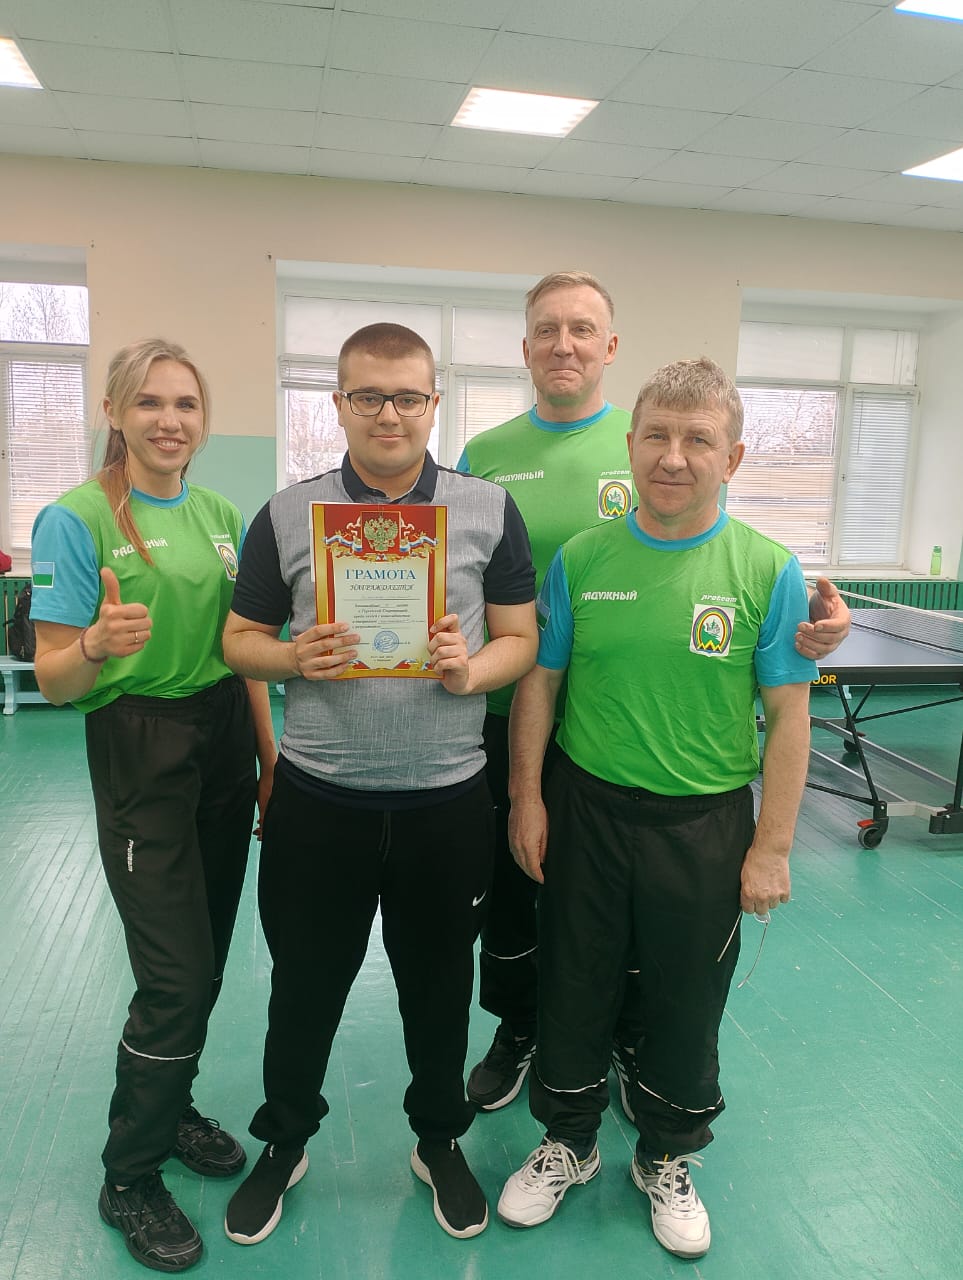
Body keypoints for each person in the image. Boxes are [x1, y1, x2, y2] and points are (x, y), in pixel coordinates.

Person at [458, 271, 850, 1115]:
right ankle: (528, 1041)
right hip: (522, 719)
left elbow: (769, 658)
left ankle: (641, 1060)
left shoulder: (677, 472)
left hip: (678, 763)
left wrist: (773, 841)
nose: (671, 458)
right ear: (524, 347)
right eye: (546, 329)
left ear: (609, 346)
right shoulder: (489, 460)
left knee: (659, 952)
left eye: (581, 328)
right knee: (535, 913)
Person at [220, 322, 538, 1245]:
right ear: (338, 404)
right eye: (367, 395)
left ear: (434, 404)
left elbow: (519, 640)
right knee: (303, 987)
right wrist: (292, 656)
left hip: (445, 802)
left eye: (406, 396)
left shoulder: (486, 511)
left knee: (437, 990)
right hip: (321, 801)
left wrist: (469, 673)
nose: (387, 414)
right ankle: (284, 1141)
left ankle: (438, 1139)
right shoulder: (290, 515)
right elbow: (237, 642)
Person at [496, 357, 819, 1260]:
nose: (673, 457)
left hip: (703, 825)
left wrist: (771, 847)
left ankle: (665, 1155)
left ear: (732, 457)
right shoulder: (581, 558)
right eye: (656, 437)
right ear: (631, 445)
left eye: (697, 440)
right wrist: (526, 797)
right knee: (573, 983)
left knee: (684, 998)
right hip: (585, 810)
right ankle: (568, 1142)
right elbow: (539, 685)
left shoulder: (768, 569)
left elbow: (789, 716)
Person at [29, 339, 276, 1273]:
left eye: (186, 404)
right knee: (174, 976)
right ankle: (128, 1174)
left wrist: (268, 760)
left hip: (223, 738)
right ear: (115, 411)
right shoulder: (76, 518)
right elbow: (53, 679)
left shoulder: (221, 516)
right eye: (150, 403)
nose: (170, 421)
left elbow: (240, 651)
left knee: (204, 961)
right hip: (141, 743)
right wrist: (93, 644)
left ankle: (171, 1110)